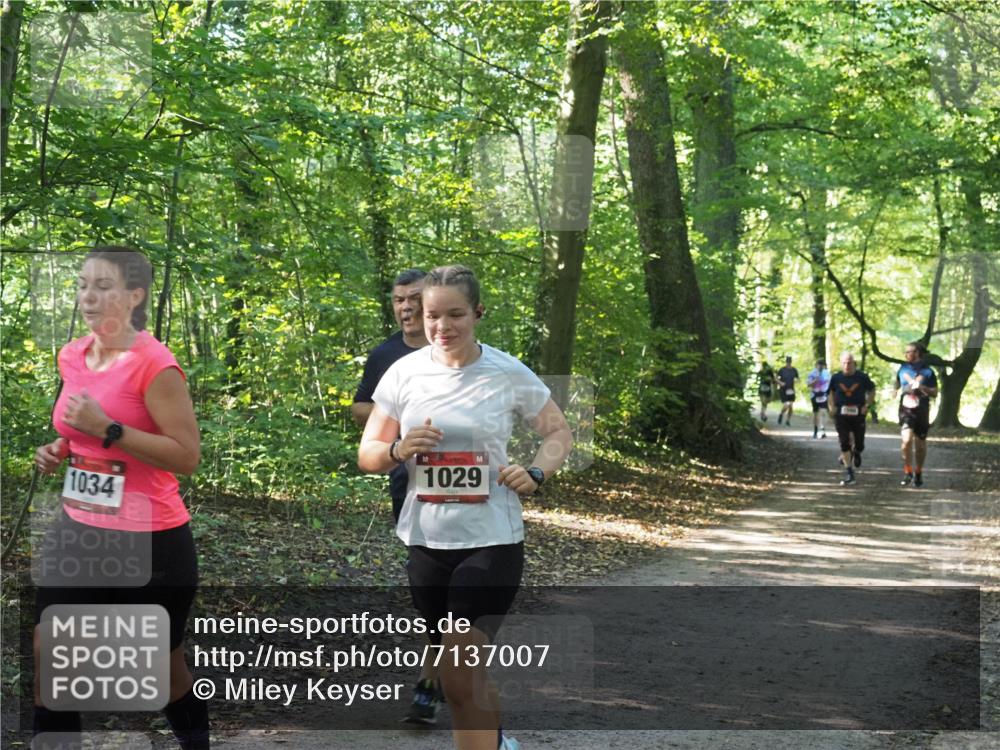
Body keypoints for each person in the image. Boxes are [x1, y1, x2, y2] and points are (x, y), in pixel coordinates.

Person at [358, 265, 573, 750]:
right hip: (426, 543)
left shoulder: (505, 371)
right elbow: (367, 454)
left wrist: (537, 472)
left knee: (458, 671)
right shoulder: (402, 372)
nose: (442, 326)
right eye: (433, 315)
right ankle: (498, 744)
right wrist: (399, 448)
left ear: (477, 313)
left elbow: (559, 432)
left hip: (491, 540)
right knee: (462, 675)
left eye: (455, 314)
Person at [32, 247, 206, 748]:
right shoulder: (72, 354)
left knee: (165, 677)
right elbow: (77, 427)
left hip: (150, 540)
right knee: (51, 654)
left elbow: (186, 455)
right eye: (83, 284)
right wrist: (60, 448)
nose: (88, 296)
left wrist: (108, 429)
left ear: (134, 296)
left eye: (103, 286)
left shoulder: (155, 365)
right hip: (78, 531)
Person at [350, 268, 439, 723]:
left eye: (413, 299)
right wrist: (402, 420)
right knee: (428, 590)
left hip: (471, 487)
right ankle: (438, 670)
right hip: (410, 482)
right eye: (398, 300)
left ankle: (434, 680)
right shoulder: (385, 353)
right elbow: (360, 406)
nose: (405, 307)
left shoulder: (458, 349)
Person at [894, 341, 938, 487]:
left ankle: (918, 472)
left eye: (909, 352)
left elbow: (935, 393)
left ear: (917, 353)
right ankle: (908, 472)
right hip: (906, 408)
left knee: (920, 444)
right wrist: (894, 390)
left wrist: (922, 387)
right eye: (905, 352)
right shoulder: (902, 369)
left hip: (922, 409)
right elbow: (897, 382)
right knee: (906, 440)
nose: (906, 354)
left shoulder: (928, 372)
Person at [827, 352, 875, 486]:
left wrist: (867, 405)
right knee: (844, 442)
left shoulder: (862, 377)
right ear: (841, 363)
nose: (847, 365)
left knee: (859, 443)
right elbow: (830, 392)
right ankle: (849, 472)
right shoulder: (836, 378)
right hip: (841, 414)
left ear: (854, 363)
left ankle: (857, 451)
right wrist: (832, 407)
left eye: (849, 363)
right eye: (844, 363)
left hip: (858, 412)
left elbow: (872, 390)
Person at [806, 359, 832, 439]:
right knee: (816, 414)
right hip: (815, 395)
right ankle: (815, 431)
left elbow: (831, 384)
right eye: (819, 364)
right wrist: (815, 381)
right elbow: (808, 385)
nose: (820, 366)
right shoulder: (812, 373)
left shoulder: (827, 373)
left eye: (822, 364)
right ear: (816, 365)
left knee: (823, 412)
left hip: (823, 395)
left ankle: (823, 430)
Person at [776, 356, 799, 426]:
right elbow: (776, 378)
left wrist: (797, 381)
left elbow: (798, 378)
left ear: (791, 362)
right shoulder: (782, 370)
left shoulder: (794, 370)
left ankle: (788, 420)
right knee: (787, 404)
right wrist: (780, 383)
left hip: (791, 389)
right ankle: (781, 414)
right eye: (787, 362)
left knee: (791, 406)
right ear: (786, 362)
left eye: (789, 362)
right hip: (783, 390)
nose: (788, 363)